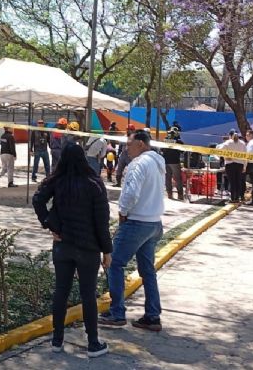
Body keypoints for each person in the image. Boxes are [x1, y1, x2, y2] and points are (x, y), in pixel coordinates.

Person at [32, 144, 112, 358]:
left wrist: (49, 223)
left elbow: (37, 200)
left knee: (61, 291)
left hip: (63, 245)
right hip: (88, 247)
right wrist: (107, 251)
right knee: (88, 294)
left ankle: (57, 340)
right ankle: (93, 342)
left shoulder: (56, 181)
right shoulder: (94, 183)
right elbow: (102, 221)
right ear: (83, 158)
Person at [99, 129, 165, 332]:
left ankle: (117, 313)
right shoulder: (158, 162)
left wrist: (123, 212)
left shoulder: (138, 164)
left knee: (113, 263)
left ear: (141, 144)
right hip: (154, 223)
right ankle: (152, 316)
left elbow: (131, 193)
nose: (126, 148)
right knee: (148, 271)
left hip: (136, 222)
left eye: (129, 144)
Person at [219, 132, 247, 202]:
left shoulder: (227, 143)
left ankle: (232, 198)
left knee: (232, 182)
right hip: (240, 164)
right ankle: (237, 197)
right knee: (238, 181)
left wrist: (225, 157)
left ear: (230, 136)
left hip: (230, 164)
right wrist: (245, 166)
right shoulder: (243, 143)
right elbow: (245, 156)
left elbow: (219, 150)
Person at [162, 129, 186, 200]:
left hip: (166, 162)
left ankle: (169, 194)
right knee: (178, 179)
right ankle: (180, 195)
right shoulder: (178, 141)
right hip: (175, 162)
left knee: (167, 178)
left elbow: (162, 150)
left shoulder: (165, 141)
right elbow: (182, 151)